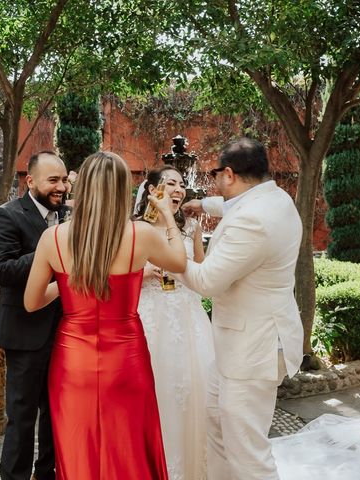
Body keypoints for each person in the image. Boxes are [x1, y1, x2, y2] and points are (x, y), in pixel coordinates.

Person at [24, 151, 187, 480]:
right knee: (129, 448)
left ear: (81, 188)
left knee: (78, 449)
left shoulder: (52, 238)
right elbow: (180, 264)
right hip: (126, 359)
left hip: (72, 361)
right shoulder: (140, 235)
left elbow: (31, 302)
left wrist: (71, 284)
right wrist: (168, 217)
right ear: (122, 189)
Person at [178, 138, 304, 480]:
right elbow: (235, 205)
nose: (215, 181)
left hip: (253, 350)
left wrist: (174, 257)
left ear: (229, 173)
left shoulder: (254, 221)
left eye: (216, 175)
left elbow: (206, 282)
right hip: (238, 344)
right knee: (216, 423)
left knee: (248, 451)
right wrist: (202, 205)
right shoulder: (276, 199)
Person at [0, 151, 70, 480]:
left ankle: (46, 474)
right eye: (53, 180)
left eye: (64, 180)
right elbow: (3, 270)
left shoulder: (66, 215)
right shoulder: (6, 215)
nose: (61, 187)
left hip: (66, 332)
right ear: (30, 181)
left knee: (55, 415)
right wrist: (52, 249)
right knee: (21, 418)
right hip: (25, 334)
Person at [134, 166, 214, 480]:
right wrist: (144, 275)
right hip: (151, 315)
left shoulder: (191, 226)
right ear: (153, 190)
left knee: (195, 388)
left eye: (181, 184)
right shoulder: (136, 228)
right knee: (157, 388)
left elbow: (200, 269)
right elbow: (119, 273)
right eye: (170, 183)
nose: (178, 190)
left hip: (188, 315)